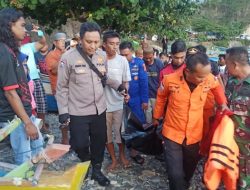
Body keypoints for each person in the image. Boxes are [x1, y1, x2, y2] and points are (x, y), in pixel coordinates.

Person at [56, 22, 126, 186]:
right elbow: (61, 87)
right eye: (89, 42)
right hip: (78, 110)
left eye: (96, 42)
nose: (93, 46)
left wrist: (118, 85)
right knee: (79, 144)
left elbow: (105, 77)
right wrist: (63, 112)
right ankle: (85, 160)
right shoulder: (68, 58)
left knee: (99, 142)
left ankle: (96, 170)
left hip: (99, 109)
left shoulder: (101, 56)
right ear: (80, 39)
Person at [153, 51, 228, 190]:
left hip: (194, 134)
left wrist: (222, 103)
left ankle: (184, 184)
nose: (205, 79)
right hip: (172, 133)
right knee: (175, 174)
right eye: (200, 76)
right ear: (188, 71)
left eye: (207, 75)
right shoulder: (170, 79)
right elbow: (161, 97)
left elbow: (217, 87)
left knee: (189, 168)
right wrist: (156, 117)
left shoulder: (208, 78)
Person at [0, 8, 43, 164]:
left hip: (23, 113)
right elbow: (10, 93)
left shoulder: (12, 50)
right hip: (15, 118)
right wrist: (27, 122)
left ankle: (35, 182)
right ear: (10, 25)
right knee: (24, 159)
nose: (25, 30)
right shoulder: (3, 52)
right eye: (22, 25)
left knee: (38, 152)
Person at [102, 31, 131, 171]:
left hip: (118, 103)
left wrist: (126, 93)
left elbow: (126, 81)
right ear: (104, 44)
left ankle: (122, 156)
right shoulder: (99, 60)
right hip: (102, 105)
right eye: (111, 44)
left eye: (117, 44)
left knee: (119, 132)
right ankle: (113, 159)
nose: (114, 47)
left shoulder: (122, 60)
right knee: (107, 134)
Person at [225, 47, 250, 190]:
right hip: (229, 144)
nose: (226, 68)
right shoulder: (232, 82)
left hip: (247, 149)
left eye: (227, 64)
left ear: (234, 65)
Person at [120, 41, 149, 164]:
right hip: (120, 100)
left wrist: (145, 100)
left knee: (137, 125)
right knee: (122, 126)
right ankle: (124, 149)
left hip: (136, 100)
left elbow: (144, 83)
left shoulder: (139, 63)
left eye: (126, 55)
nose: (124, 58)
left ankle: (135, 151)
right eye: (121, 55)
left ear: (131, 52)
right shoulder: (117, 63)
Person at [20, 22, 49, 133]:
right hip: (22, 80)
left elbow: (42, 42)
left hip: (35, 79)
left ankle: (41, 125)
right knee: (28, 105)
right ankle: (30, 126)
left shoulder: (29, 46)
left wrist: (40, 32)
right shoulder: (10, 48)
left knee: (41, 103)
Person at [45, 32, 68, 144]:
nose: (63, 42)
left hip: (72, 88)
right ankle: (65, 139)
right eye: (61, 40)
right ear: (55, 42)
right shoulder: (51, 55)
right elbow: (54, 71)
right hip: (59, 90)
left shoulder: (69, 53)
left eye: (65, 40)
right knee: (64, 115)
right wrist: (63, 56)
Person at [143, 46, 164, 124]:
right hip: (146, 95)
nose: (148, 60)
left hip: (156, 94)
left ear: (153, 54)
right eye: (146, 58)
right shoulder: (142, 63)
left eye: (150, 58)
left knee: (157, 116)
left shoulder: (159, 63)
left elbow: (163, 78)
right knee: (147, 115)